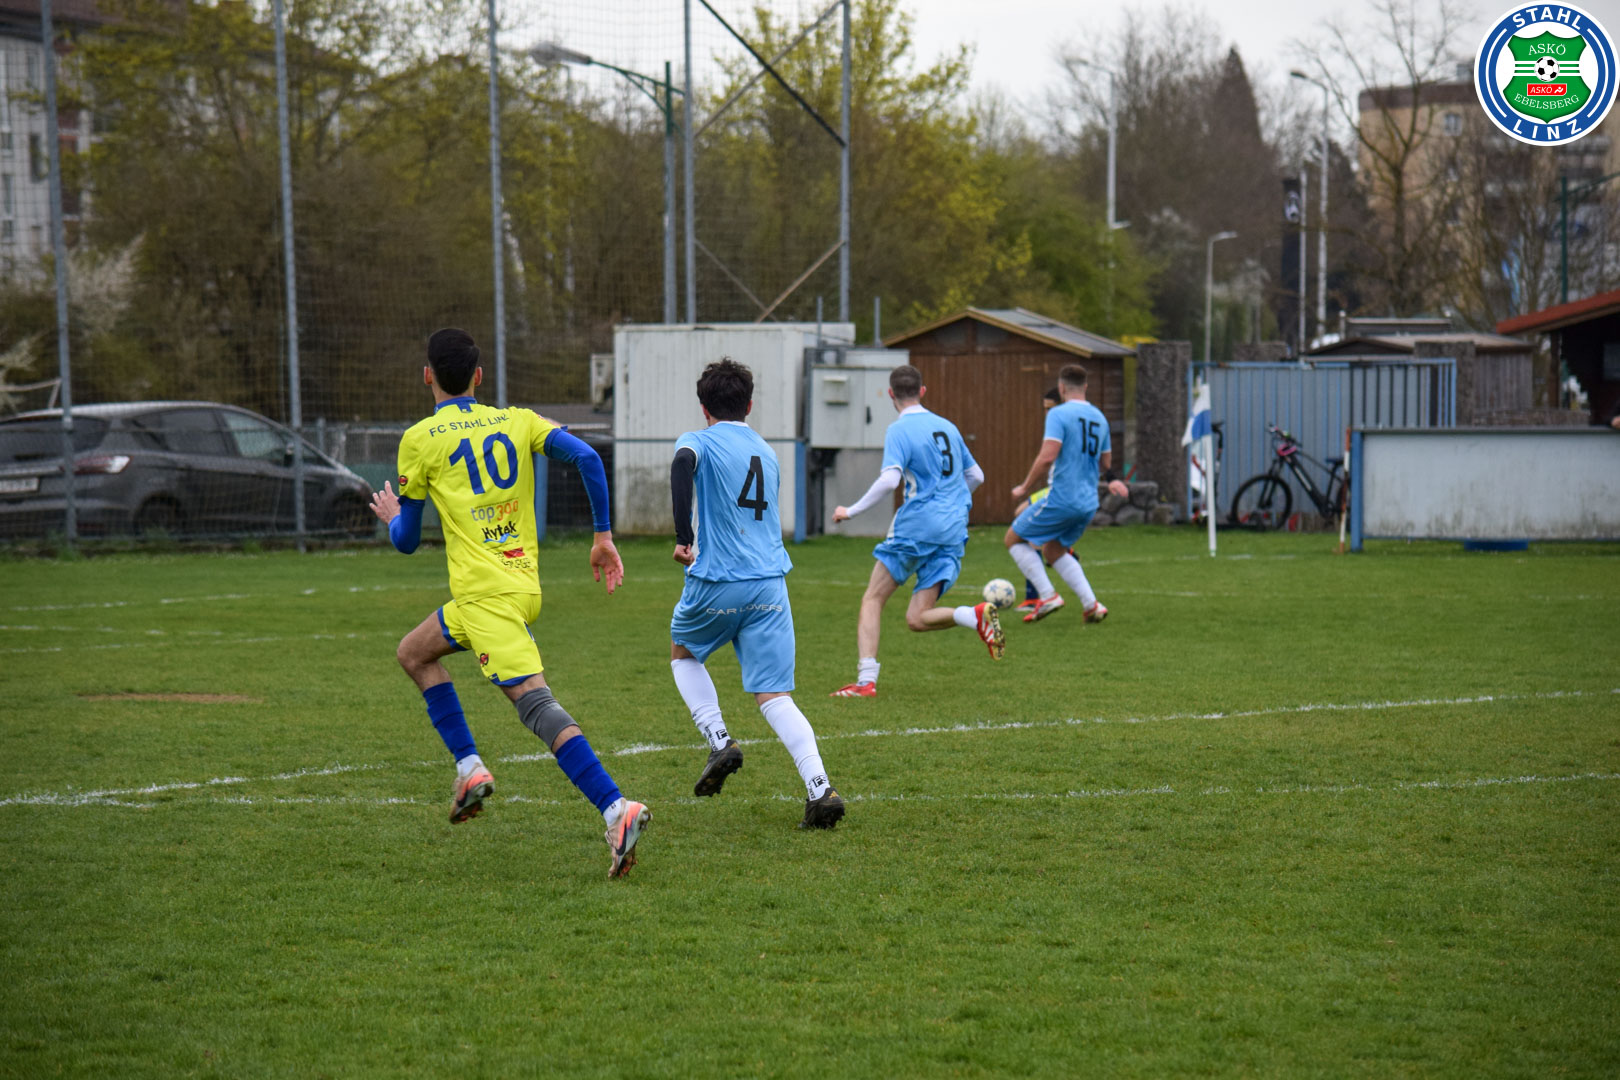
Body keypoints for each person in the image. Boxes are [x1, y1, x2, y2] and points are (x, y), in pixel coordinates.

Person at [369, 328, 650, 879]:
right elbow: (588, 459)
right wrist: (602, 535)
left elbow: (407, 540)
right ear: (479, 376)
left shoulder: (420, 439)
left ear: (427, 376)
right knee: (414, 653)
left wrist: (391, 518)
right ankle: (469, 768)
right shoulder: (517, 420)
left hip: (485, 597)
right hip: (517, 587)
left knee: (536, 705)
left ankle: (616, 809)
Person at [667, 357, 845, 829]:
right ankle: (820, 788)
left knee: (683, 653)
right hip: (770, 584)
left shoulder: (698, 439)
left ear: (704, 408)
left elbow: (682, 464)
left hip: (719, 579)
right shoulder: (766, 450)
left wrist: (684, 536)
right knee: (775, 695)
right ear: (749, 405)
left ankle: (719, 740)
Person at [827, 364, 1003, 698]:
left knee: (873, 598)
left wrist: (850, 511)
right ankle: (973, 615)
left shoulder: (899, 430)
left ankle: (865, 682)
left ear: (890, 394)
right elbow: (976, 476)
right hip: (953, 530)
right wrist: (950, 502)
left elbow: (890, 480)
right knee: (917, 618)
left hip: (917, 527)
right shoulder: (947, 426)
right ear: (922, 391)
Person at [1005, 363, 1130, 624]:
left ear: (1061, 388)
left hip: (1062, 497)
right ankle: (1092, 605)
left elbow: (1047, 457)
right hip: (1088, 502)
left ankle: (1047, 595)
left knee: (1013, 539)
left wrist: (1025, 487)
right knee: (1054, 550)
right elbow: (1106, 463)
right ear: (1085, 387)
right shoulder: (1100, 417)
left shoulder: (1058, 414)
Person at [1014, 386, 1065, 612]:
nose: (1046, 413)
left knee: (1027, 532)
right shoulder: (1055, 425)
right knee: (1020, 514)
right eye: (1044, 409)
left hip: (1062, 492)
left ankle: (1035, 597)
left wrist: (1025, 486)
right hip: (1052, 490)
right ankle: (1062, 550)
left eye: (1050, 408)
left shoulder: (1063, 424)